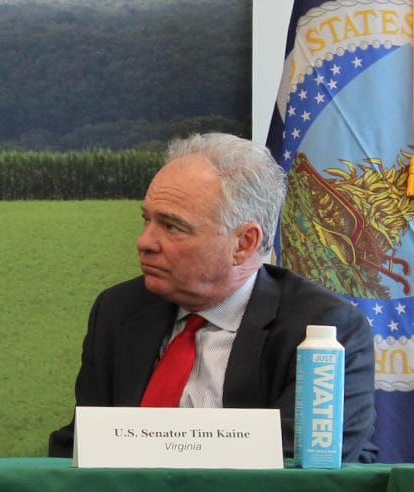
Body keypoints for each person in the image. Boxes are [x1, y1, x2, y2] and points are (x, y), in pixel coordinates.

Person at [49, 132, 378, 462]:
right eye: (147, 219)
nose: (144, 241)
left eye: (172, 227)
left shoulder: (323, 330)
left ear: (244, 243)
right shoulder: (119, 310)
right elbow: (83, 444)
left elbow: (298, 463)